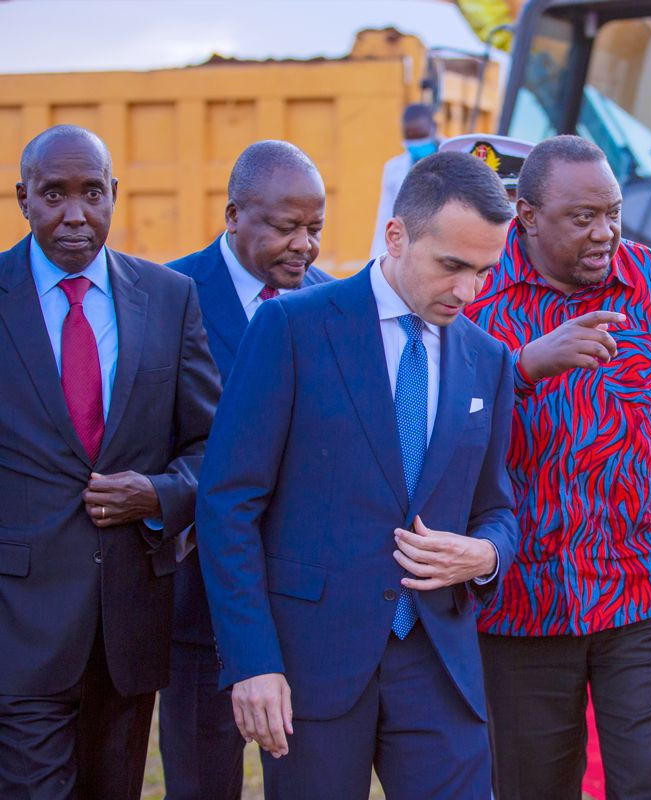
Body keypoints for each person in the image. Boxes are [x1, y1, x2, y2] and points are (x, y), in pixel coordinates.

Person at [196, 151, 518, 799]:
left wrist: (484, 553)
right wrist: (254, 662)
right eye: (451, 266)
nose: (466, 291)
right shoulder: (291, 327)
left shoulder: (489, 360)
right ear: (396, 236)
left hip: (438, 664)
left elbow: (498, 509)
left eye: (483, 271)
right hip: (311, 666)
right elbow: (228, 503)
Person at [467, 135, 651, 799]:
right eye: (582, 218)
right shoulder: (475, 294)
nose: (606, 233)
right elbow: (442, 434)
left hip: (646, 587)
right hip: (519, 602)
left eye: (613, 212)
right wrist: (525, 368)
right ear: (527, 216)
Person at [0, 125, 221, 799]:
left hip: (129, 626)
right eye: (54, 194)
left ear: (114, 195)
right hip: (18, 625)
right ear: (23, 199)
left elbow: (212, 446)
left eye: (92, 192)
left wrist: (158, 494)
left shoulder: (169, 297)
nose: (75, 213)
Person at [160, 140, 334, 800]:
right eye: (285, 227)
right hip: (199, 602)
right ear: (234, 216)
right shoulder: (170, 296)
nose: (304, 245)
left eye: (314, 227)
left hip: (304, 605)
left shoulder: (330, 302)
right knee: (201, 782)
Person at [371, 103, 440, 256]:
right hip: (410, 250)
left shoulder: (458, 157)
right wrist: (375, 261)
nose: (416, 144)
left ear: (434, 127)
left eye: (421, 136)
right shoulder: (394, 168)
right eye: (410, 138)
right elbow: (385, 217)